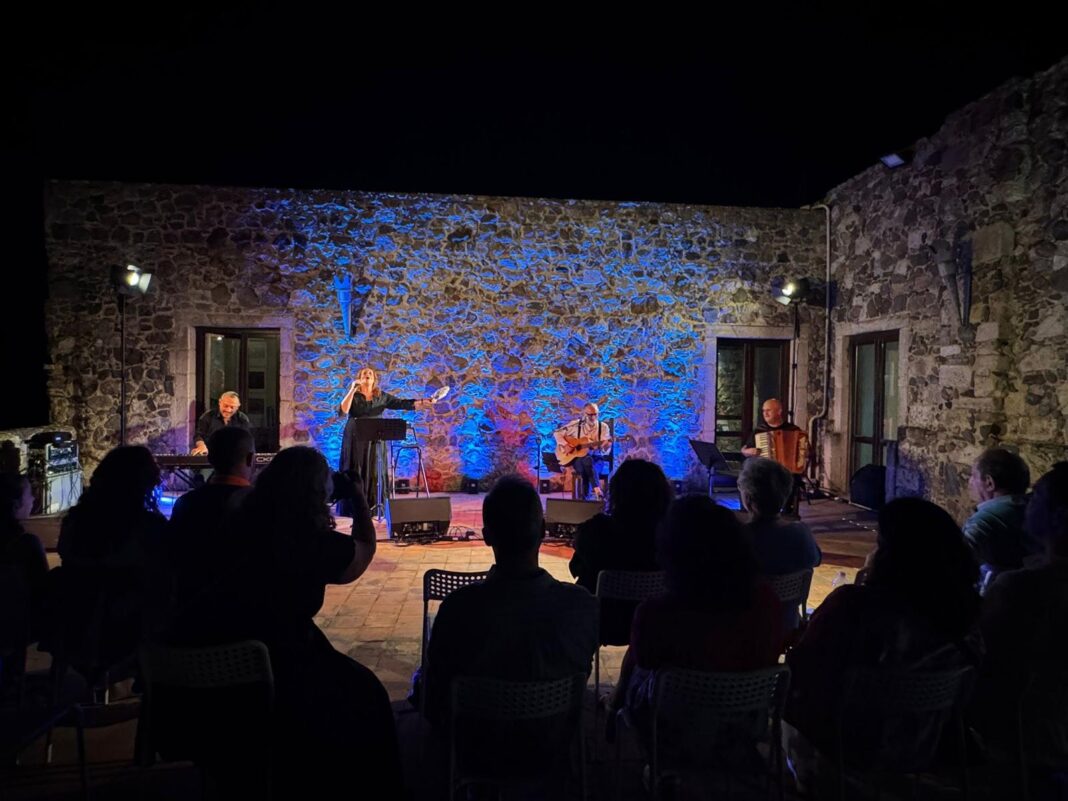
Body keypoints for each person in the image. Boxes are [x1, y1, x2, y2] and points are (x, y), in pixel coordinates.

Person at [167, 446, 400, 797]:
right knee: (367, 694)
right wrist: (359, 500)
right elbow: (363, 550)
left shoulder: (234, 523)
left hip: (207, 649)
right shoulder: (311, 543)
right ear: (317, 492)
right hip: (279, 659)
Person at [783, 498, 981, 789]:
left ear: (890, 555)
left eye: (879, 542)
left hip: (844, 749)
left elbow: (801, 673)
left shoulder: (853, 607)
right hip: (923, 746)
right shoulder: (967, 613)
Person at [609, 495, 785, 755]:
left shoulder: (656, 614)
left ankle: (615, 712)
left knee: (635, 665)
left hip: (671, 730)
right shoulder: (768, 603)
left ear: (671, 554)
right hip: (744, 724)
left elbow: (646, 661)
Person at [423, 475, 599, 730]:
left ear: (487, 536)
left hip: (475, 745)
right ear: (543, 530)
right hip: (553, 742)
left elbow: (434, 699)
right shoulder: (581, 606)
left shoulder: (457, 609)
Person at [972, 462, 1068, 776]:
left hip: (1025, 736)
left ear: (1057, 515)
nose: (1026, 502)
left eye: (1036, 497)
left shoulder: (1021, 588)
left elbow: (983, 661)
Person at [50, 446, 169, 679]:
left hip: (73, 618)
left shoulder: (75, 521)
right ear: (143, 484)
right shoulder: (148, 527)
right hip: (126, 626)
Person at [568, 458, 673, 644]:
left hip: (602, 623)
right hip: (652, 624)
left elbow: (575, 568)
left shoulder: (597, 531)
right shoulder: (670, 537)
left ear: (617, 492)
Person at [168, 426, 256, 609]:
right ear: (251, 459)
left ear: (209, 459)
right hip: (247, 608)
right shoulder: (262, 503)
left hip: (195, 609)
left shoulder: (187, 503)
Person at [738, 456, 821, 630]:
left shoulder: (738, 538)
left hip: (745, 629)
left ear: (748, 498)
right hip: (787, 625)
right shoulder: (801, 533)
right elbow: (816, 559)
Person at [338, 367, 433, 512]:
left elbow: (401, 403)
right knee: (356, 467)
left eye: (370, 373)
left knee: (375, 468)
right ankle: (354, 507)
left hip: (375, 436)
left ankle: (375, 506)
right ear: (359, 378)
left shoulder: (381, 396)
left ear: (374, 379)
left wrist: (422, 402)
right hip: (356, 437)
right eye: (364, 373)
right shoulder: (354, 395)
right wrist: (352, 389)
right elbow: (343, 410)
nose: (367, 375)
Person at [963, 447, 1039, 592]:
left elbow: (955, 563)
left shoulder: (984, 521)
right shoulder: (1036, 508)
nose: (970, 482)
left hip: (997, 597)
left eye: (973, 475)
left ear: (989, 483)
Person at [0, 472, 50, 643]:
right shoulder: (27, 543)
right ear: (16, 504)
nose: (33, 499)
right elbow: (42, 589)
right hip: (14, 627)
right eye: (29, 494)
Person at [741, 398, 805, 514]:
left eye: (768, 410)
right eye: (763, 411)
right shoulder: (760, 431)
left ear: (779, 411)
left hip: (788, 472)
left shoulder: (794, 431)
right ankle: (758, 512)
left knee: (791, 479)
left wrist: (803, 454)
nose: (765, 413)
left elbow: (804, 451)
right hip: (766, 470)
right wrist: (750, 451)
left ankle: (787, 513)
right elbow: (744, 450)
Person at [553, 402, 612, 500]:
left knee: (588, 462)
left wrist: (604, 447)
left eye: (595, 414)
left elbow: (605, 450)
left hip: (597, 459)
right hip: (578, 460)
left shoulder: (603, 427)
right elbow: (557, 433)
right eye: (590, 415)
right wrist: (566, 444)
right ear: (584, 414)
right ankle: (597, 491)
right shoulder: (576, 425)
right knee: (587, 460)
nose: (593, 417)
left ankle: (585, 498)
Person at [191, 391, 251, 455]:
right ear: (220, 402)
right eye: (225, 406)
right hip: (211, 455)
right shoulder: (207, 417)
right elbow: (198, 436)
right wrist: (201, 446)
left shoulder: (242, 419)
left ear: (237, 407)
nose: (228, 410)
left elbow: (246, 440)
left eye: (232, 407)